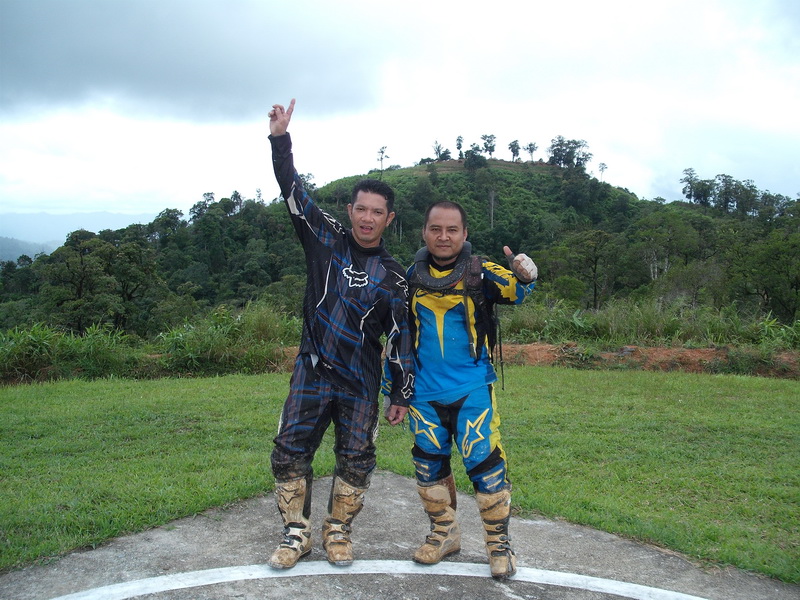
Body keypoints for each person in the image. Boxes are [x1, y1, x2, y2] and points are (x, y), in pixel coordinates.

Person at [266, 99, 414, 570]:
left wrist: (400, 393)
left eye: (377, 212)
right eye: (361, 209)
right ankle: (296, 533)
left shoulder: (395, 277)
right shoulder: (325, 239)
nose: (367, 218)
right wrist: (280, 140)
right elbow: (293, 191)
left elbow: (400, 337)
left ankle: (338, 531)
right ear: (349, 210)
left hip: (361, 380)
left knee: (356, 458)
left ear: (389, 219)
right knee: (289, 451)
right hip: (311, 371)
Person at [391, 200, 537, 579]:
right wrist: (396, 389)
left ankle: (498, 544)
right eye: (436, 229)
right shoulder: (409, 276)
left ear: (465, 233)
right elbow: (398, 333)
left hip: (472, 391)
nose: (444, 237)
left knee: (486, 467)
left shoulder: (480, 271)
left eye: (452, 230)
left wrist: (525, 273)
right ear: (424, 232)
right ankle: (445, 534)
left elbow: (517, 292)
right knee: (428, 467)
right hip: (423, 395)